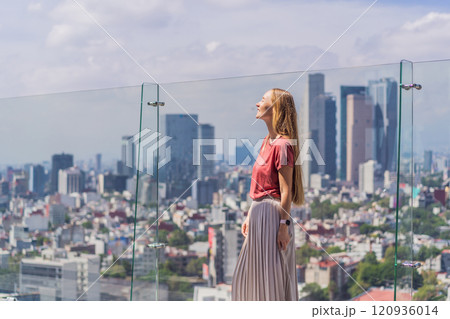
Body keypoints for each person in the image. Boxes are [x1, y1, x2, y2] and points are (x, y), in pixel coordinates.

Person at [231, 88, 305, 301]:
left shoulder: (282, 145)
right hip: (258, 214)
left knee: (268, 277)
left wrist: (283, 226)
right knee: (251, 277)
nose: (257, 103)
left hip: (272, 217)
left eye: (262, 99)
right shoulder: (266, 142)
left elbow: (286, 190)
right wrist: (249, 214)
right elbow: (262, 185)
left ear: (275, 108)